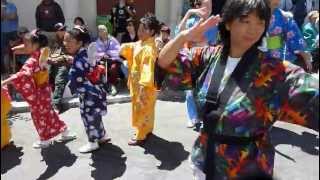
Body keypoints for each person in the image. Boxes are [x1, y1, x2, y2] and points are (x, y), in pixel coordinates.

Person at [158, 0, 319, 179]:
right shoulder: (207, 57)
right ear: (228, 23)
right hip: (204, 161)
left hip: (248, 170)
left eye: (260, 22)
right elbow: (164, 63)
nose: (254, 29)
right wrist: (184, 37)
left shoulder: (274, 71)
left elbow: (311, 94)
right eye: (245, 20)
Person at [1, 30, 76, 149]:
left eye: (26, 44)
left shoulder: (32, 60)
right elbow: (22, 49)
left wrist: (4, 82)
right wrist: (16, 48)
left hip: (37, 95)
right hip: (44, 91)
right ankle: (65, 132)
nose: (24, 46)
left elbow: (21, 75)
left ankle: (45, 139)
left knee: (39, 117)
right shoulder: (41, 52)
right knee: (49, 114)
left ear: (35, 45)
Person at [66, 26, 110, 153]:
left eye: (69, 41)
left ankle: (92, 142)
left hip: (88, 94)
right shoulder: (86, 53)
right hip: (96, 90)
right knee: (96, 115)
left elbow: (75, 77)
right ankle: (102, 136)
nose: (66, 44)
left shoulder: (80, 58)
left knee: (88, 116)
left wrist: (71, 85)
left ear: (79, 43)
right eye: (65, 41)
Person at [120, 13, 160, 146]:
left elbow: (148, 67)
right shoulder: (142, 43)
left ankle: (141, 135)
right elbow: (132, 46)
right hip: (140, 84)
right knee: (148, 108)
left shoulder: (149, 48)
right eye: (140, 28)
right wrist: (121, 48)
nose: (140, 32)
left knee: (142, 108)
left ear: (152, 31)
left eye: (144, 29)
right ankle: (147, 129)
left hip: (144, 85)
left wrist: (143, 85)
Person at [264, 0, 312, 72]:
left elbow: (295, 38)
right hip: (254, 59)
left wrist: (305, 55)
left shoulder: (284, 17)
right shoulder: (251, 13)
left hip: (279, 59)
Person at [47, 23, 73, 113]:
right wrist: (50, 58)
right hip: (53, 63)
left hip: (64, 63)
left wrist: (63, 57)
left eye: (64, 29)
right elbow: (48, 53)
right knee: (49, 78)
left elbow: (71, 53)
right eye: (61, 30)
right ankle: (55, 100)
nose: (64, 31)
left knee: (60, 79)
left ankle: (56, 104)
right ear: (57, 31)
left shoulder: (68, 38)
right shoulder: (52, 40)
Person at [96, 25, 122, 96]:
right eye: (100, 31)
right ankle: (106, 86)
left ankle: (113, 85)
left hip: (113, 59)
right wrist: (102, 55)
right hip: (103, 61)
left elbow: (119, 50)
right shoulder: (97, 42)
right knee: (102, 69)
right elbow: (95, 53)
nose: (103, 32)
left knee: (113, 68)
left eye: (104, 30)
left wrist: (109, 53)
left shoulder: (112, 40)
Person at [1, 0, 18, 74]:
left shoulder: (12, 5)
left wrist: (4, 15)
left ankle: (15, 68)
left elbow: (13, 16)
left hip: (13, 31)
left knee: (14, 51)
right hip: (2, 32)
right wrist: (6, 15)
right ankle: (7, 70)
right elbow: (2, 17)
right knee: (5, 52)